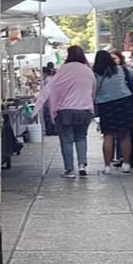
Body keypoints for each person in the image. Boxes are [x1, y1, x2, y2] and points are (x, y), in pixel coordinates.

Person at [35, 45, 95, 178]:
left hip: (65, 111)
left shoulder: (64, 70)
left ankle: (70, 170)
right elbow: (93, 90)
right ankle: (82, 165)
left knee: (67, 140)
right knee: (81, 137)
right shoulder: (88, 70)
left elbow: (53, 88)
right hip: (85, 110)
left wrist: (50, 109)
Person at [92, 50, 133, 174]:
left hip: (105, 105)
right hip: (123, 102)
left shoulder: (95, 74)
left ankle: (107, 166)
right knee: (125, 134)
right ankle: (126, 164)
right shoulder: (121, 69)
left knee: (108, 135)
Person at [40, 62, 57, 136]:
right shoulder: (51, 79)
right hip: (51, 99)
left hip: (48, 100)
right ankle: (51, 130)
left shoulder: (47, 80)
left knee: (48, 116)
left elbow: (46, 90)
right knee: (50, 115)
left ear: (44, 73)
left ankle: (50, 130)